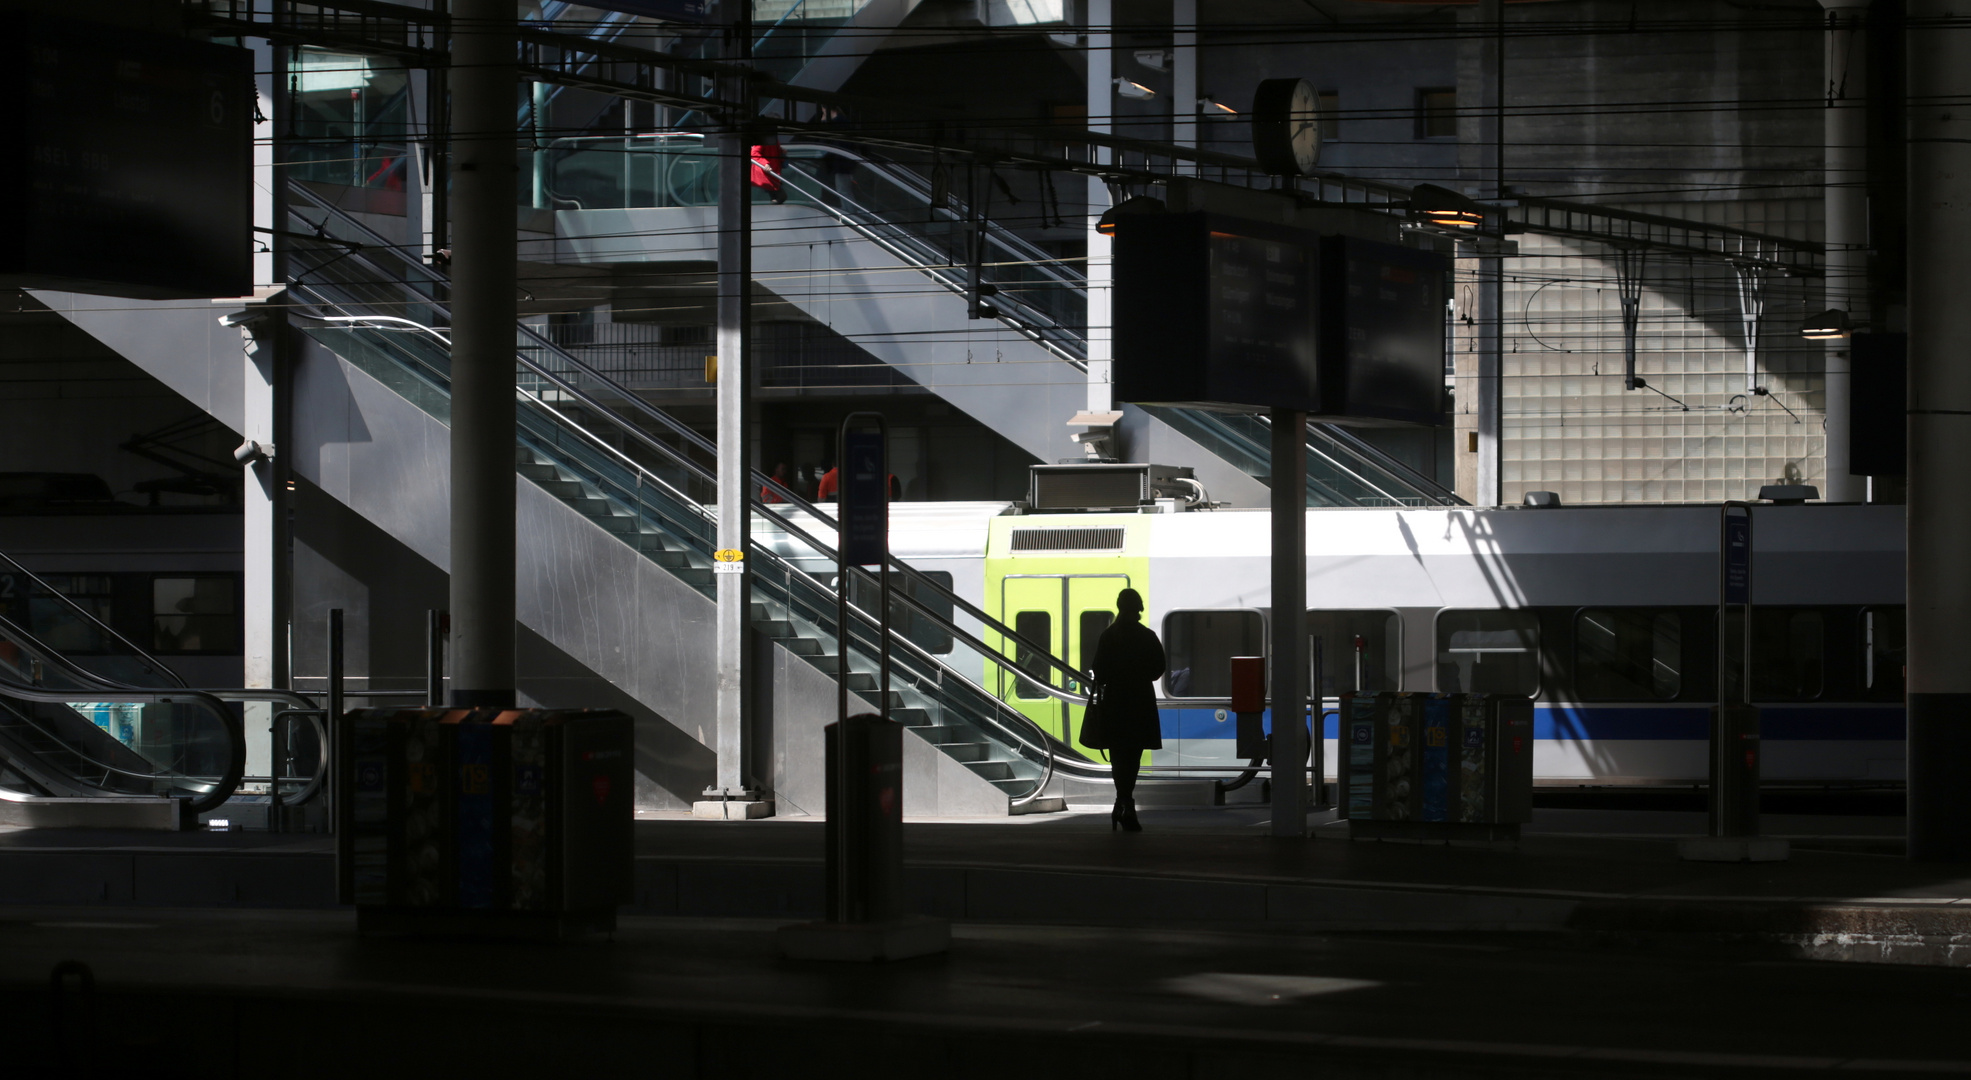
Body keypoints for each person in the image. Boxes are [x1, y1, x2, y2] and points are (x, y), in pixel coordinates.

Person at [1091, 587, 1164, 833]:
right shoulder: (1148, 636)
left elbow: (1098, 673)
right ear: (1139, 608)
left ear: (1119, 606)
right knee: (1133, 757)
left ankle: (1122, 803)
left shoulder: (1108, 636)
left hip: (1114, 703)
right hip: (1140, 703)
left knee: (1118, 756)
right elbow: (1158, 670)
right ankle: (1125, 805)